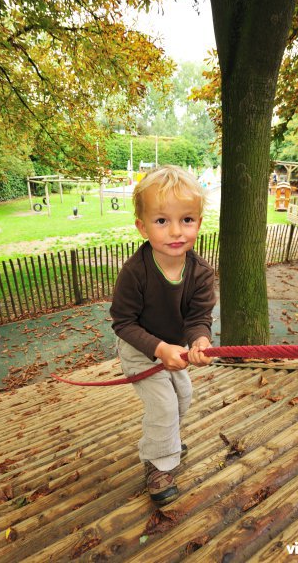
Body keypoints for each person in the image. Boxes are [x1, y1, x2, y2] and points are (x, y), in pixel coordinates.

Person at [110, 165, 216, 505]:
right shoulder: (135, 273)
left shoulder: (201, 273)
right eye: (161, 221)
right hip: (138, 347)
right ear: (142, 227)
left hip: (175, 348)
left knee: (183, 399)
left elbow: (198, 317)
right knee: (164, 407)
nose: (175, 231)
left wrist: (199, 340)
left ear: (199, 222)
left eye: (186, 219)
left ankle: (165, 442)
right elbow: (123, 323)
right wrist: (158, 348)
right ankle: (157, 464)